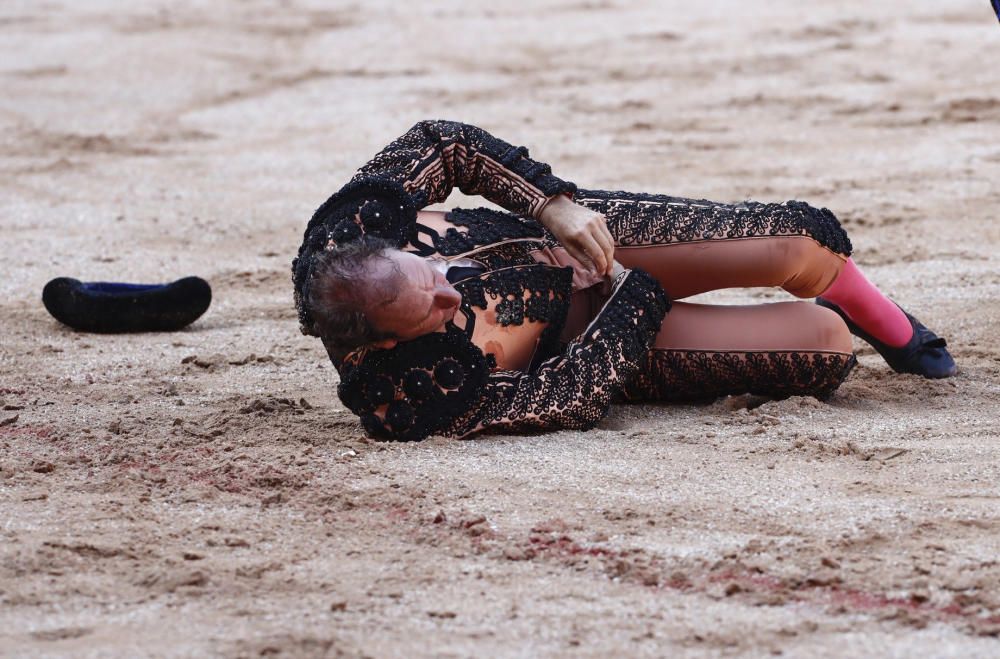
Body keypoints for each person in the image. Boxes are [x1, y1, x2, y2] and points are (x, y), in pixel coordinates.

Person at [292, 120, 955, 441]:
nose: (449, 287)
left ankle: (888, 321)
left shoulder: (351, 225)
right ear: (387, 343)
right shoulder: (400, 395)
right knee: (822, 345)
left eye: (429, 269)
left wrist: (552, 204)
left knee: (798, 242)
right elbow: (569, 394)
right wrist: (625, 290)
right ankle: (850, 319)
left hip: (572, 234)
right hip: (603, 335)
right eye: (435, 310)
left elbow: (446, 143)